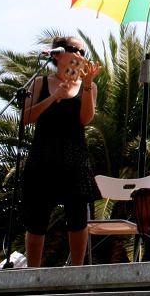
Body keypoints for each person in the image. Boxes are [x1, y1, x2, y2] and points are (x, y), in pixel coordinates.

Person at [21, 35, 102, 267]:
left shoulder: (88, 86)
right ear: (57, 54)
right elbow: (26, 117)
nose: (80, 55)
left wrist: (87, 84)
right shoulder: (40, 83)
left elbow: (85, 119)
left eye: (82, 52)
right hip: (43, 157)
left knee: (77, 218)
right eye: (74, 49)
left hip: (74, 158)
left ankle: (76, 271)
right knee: (37, 219)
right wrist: (54, 97)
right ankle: (32, 274)